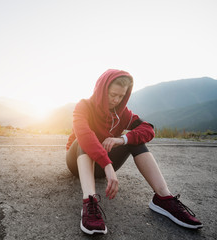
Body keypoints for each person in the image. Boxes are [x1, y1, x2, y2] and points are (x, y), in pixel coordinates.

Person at [66, 69, 203, 235]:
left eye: (121, 96)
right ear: (101, 90)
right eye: (112, 94)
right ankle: (90, 200)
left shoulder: (122, 113)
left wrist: (123, 139)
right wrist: (108, 166)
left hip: (103, 166)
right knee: (85, 140)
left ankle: (163, 197)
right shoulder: (84, 106)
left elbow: (148, 129)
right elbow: (85, 135)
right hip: (78, 163)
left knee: (134, 139)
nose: (116, 100)